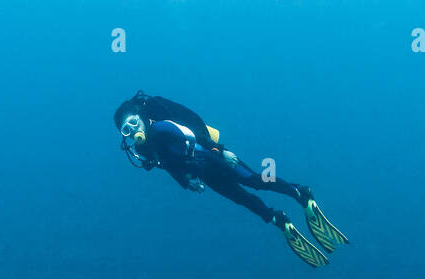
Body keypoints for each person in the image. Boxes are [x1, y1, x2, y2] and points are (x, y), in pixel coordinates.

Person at [114, 91, 348, 267]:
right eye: (126, 130)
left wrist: (220, 149)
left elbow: (190, 125)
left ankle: (300, 194)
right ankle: (278, 220)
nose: (133, 130)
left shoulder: (159, 119)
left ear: (141, 116)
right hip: (200, 171)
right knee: (240, 198)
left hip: (211, 154)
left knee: (253, 180)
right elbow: (166, 165)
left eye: (133, 123)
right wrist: (186, 181)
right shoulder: (143, 149)